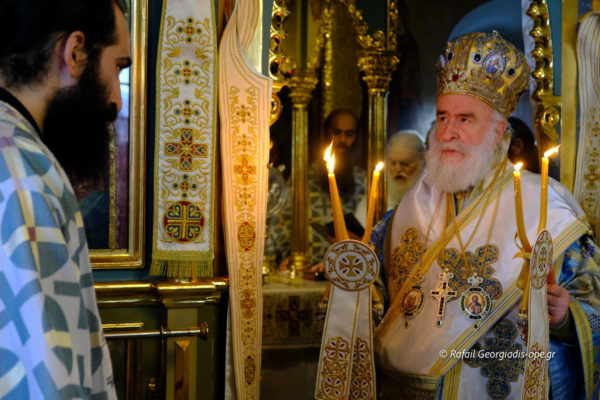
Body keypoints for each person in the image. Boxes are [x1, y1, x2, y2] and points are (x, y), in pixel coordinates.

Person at [370, 31, 600, 399]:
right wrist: (354, 290)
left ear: (497, 132)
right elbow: (375, 288)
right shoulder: (410, 206)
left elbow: (593, 305)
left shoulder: (546, 205)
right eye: (443, 117)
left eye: (465, 119)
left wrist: (566, 317)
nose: (448, 133)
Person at [0, 0, 131, 398]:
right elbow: (46, 372)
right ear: (74, 53)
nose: (117, 100)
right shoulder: (22, 170)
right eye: (118, 67)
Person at [267, 108, 367, 268]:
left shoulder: (364, 181)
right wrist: (282, 260)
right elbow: (281, 224)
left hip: (349, 268)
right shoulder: (303, 178)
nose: (342, 140)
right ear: (326, 133)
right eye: (337, 132)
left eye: (349, 134)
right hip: (306, 270)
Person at [386, 130, 425, 208]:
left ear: (422, 163)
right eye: (393, 163)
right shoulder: (378, 197)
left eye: (404, 163)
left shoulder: (431, 198)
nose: (397, 169)